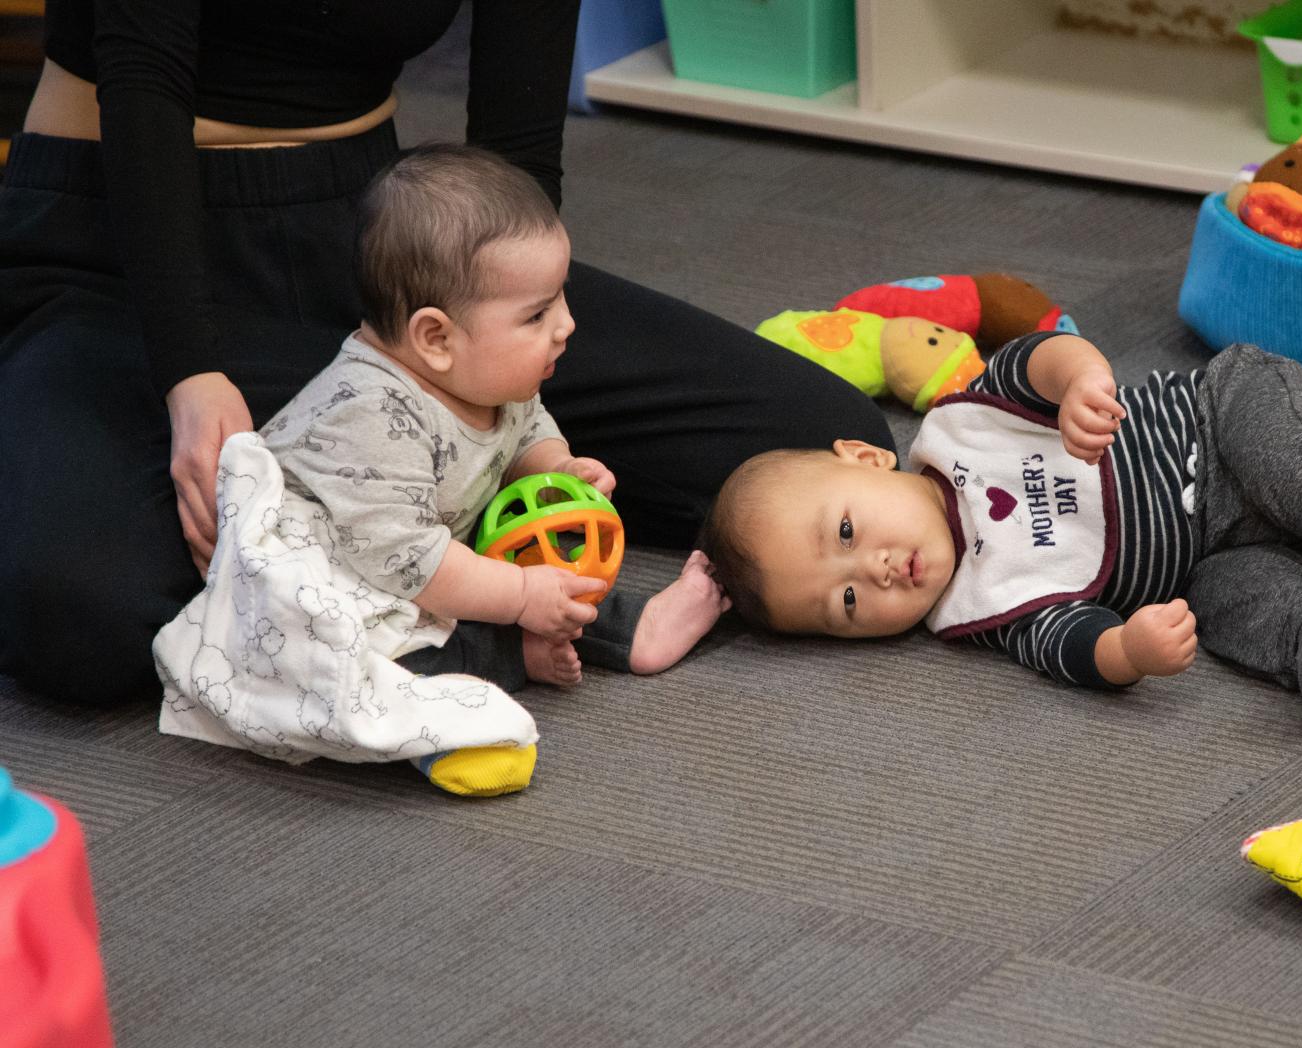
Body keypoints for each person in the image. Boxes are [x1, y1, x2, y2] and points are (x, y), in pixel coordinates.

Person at [0, 0, 892, 708]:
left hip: (391, 263)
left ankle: (389, 523)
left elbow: (517, 146)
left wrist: (506, 371)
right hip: (120, 247)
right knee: (80, 614)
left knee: (824, 444)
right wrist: (188, 371)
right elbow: (143, 77)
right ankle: (434, 561)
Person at [153, 144, 729, 796]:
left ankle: (630, 627)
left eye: (560, 298)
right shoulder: (371, 416)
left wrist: (555, 468)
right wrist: (517, 600)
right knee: (365, 664)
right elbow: (406, 563)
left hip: (423, 561)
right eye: (537, 314)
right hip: (342, 580)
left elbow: (525, 427)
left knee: (549, 583)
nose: (566, 325)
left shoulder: (488, 372)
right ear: (435, 338)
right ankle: (470, 694)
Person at [700, 332, 1302, 715]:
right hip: (1207, 557)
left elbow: (1038, 358)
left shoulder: (965, 425)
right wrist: (1127, 649)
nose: (870, 571)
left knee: (1293, 454)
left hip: (1221, 423)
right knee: (1240, 610)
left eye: (844, 534)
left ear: (865, 459)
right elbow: (1066, 644)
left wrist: (1079, 383)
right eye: (844, 607)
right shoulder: (982, 609)